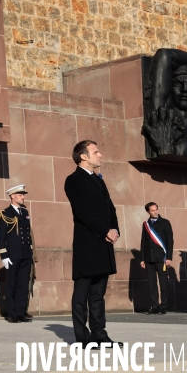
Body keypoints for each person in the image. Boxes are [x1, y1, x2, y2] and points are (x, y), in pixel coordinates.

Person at [65, 140, 122, 347]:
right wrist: (104, 230)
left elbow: (111, 208)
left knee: (98, 295)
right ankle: (82, 337)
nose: (100, 155)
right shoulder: (74, 180)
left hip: (103, 245)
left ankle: (100, 334)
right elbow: (82, 212)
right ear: (83, 156)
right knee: (81, 294)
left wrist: (115, 230)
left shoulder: (99, 180)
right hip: (87, 247)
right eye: (95, 152)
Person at [0, 184, 33, 323]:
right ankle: (12, 314)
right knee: (12, 284)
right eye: (20, 195)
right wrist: (4, 255)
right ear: (12, 196)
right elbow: (1, 237)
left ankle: (21, 312)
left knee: (23, 285)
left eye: (23, 195)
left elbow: (27, 234)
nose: (23, 197)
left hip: (25, 254)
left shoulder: (24, 213)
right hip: (12, 255)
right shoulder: (5, 213)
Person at [140, 202, 174, 315]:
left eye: (156, 209)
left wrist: (169, 257)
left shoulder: (165, 222)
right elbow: (143, 242)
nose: (155, 212)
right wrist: (142, 259)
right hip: (149, 259)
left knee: (163, 283)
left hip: (161, 258)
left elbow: (170, 241)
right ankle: (154, 306)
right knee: (152, 284)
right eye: (152, 210)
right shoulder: (146, 224)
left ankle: (163, 306)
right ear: (148, 212)